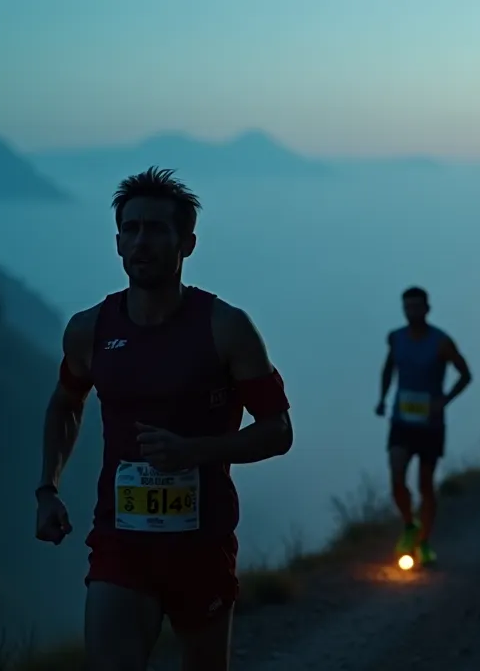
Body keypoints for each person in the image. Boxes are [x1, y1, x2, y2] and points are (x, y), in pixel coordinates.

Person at [34, 167, 294, 671]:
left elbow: (278, 431)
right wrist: (48, 489)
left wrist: (195, 451)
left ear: (187, 243)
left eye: (155, 229)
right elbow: (65, 403)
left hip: (202, 544)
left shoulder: (226, 328)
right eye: (130, 229)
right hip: (120, 542)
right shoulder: (89, 330)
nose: (141, 241)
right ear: (116, 242)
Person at [375, 286, 472, 567]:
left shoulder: (441, 341)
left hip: (430, 425)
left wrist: (445, 400)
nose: (412, 312)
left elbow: (466, 374)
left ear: (427, 308)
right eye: (408, 307)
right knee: (396, 477)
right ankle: (409, 525)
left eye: (417, 306)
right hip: (401, 421)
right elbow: (389, 368)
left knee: (425, 485)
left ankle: (425, 542)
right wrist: (382, 398)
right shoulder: (395, 338)